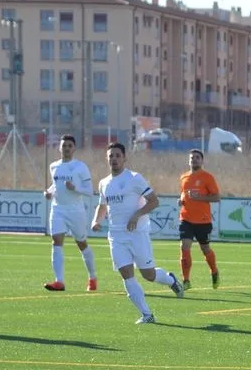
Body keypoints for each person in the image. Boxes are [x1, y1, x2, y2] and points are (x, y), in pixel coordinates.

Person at [91, 142, 184, 323]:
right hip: (116, 236)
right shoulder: (104, 183)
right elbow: (102, 206)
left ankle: (171, 280)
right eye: (111, 156)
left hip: (137, 233)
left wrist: (136, 215)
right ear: (107, 159)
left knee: (148, 275)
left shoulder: (134, 178)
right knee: (126, 274)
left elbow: (154, 201)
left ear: (124, 158)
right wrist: (96, 221)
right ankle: (147, 314)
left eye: (117, 155)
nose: (114, 159)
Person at [43, 135, 98, 292]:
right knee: (56, 241)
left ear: (74, 148)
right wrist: (49, 193)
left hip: (75, 211)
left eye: (69, 146)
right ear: (59, 148)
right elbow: (55, 185)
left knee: (82, 244)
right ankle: (59, 281)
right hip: (58, 209)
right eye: (64, 146)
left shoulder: (80, 167)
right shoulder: (54, 166)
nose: (66, 148)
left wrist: (75, 188)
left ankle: (92, 277)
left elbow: (89, 191)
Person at [178, 149, 221, 290]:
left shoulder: (207, 177)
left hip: (203, 221)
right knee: (184, 246)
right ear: (189, 161)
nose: (194, 160)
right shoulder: (184, 177)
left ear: (202, 161)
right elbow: (183, 193)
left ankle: (214, 271)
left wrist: (200, 198)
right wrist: (181, 199)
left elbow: (216, 197)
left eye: (197, 157)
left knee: (205, 249)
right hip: (186, 218)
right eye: (192, 158)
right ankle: (186, 280)